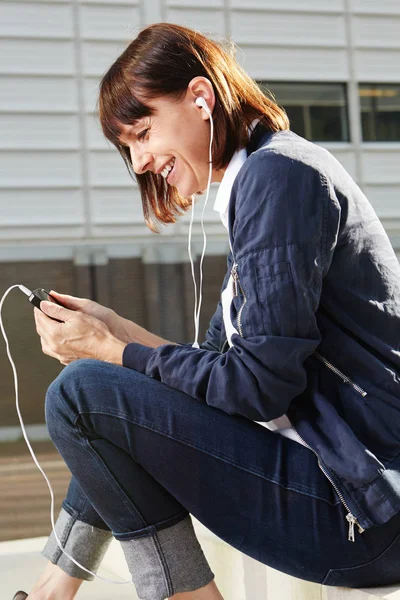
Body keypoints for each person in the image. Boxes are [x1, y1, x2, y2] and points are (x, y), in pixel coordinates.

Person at [14, 21, 400, 600]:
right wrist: (114, 331)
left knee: (80, 392)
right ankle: (51, 589)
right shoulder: (263, 181)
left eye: (142, 133)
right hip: (348, 493)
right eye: (129, 149)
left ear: (200, 97)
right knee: (99, 392)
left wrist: (111, 350)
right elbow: (214, 370)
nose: (140, 161)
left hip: (363, 508)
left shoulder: (279, 177)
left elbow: (256, 389)